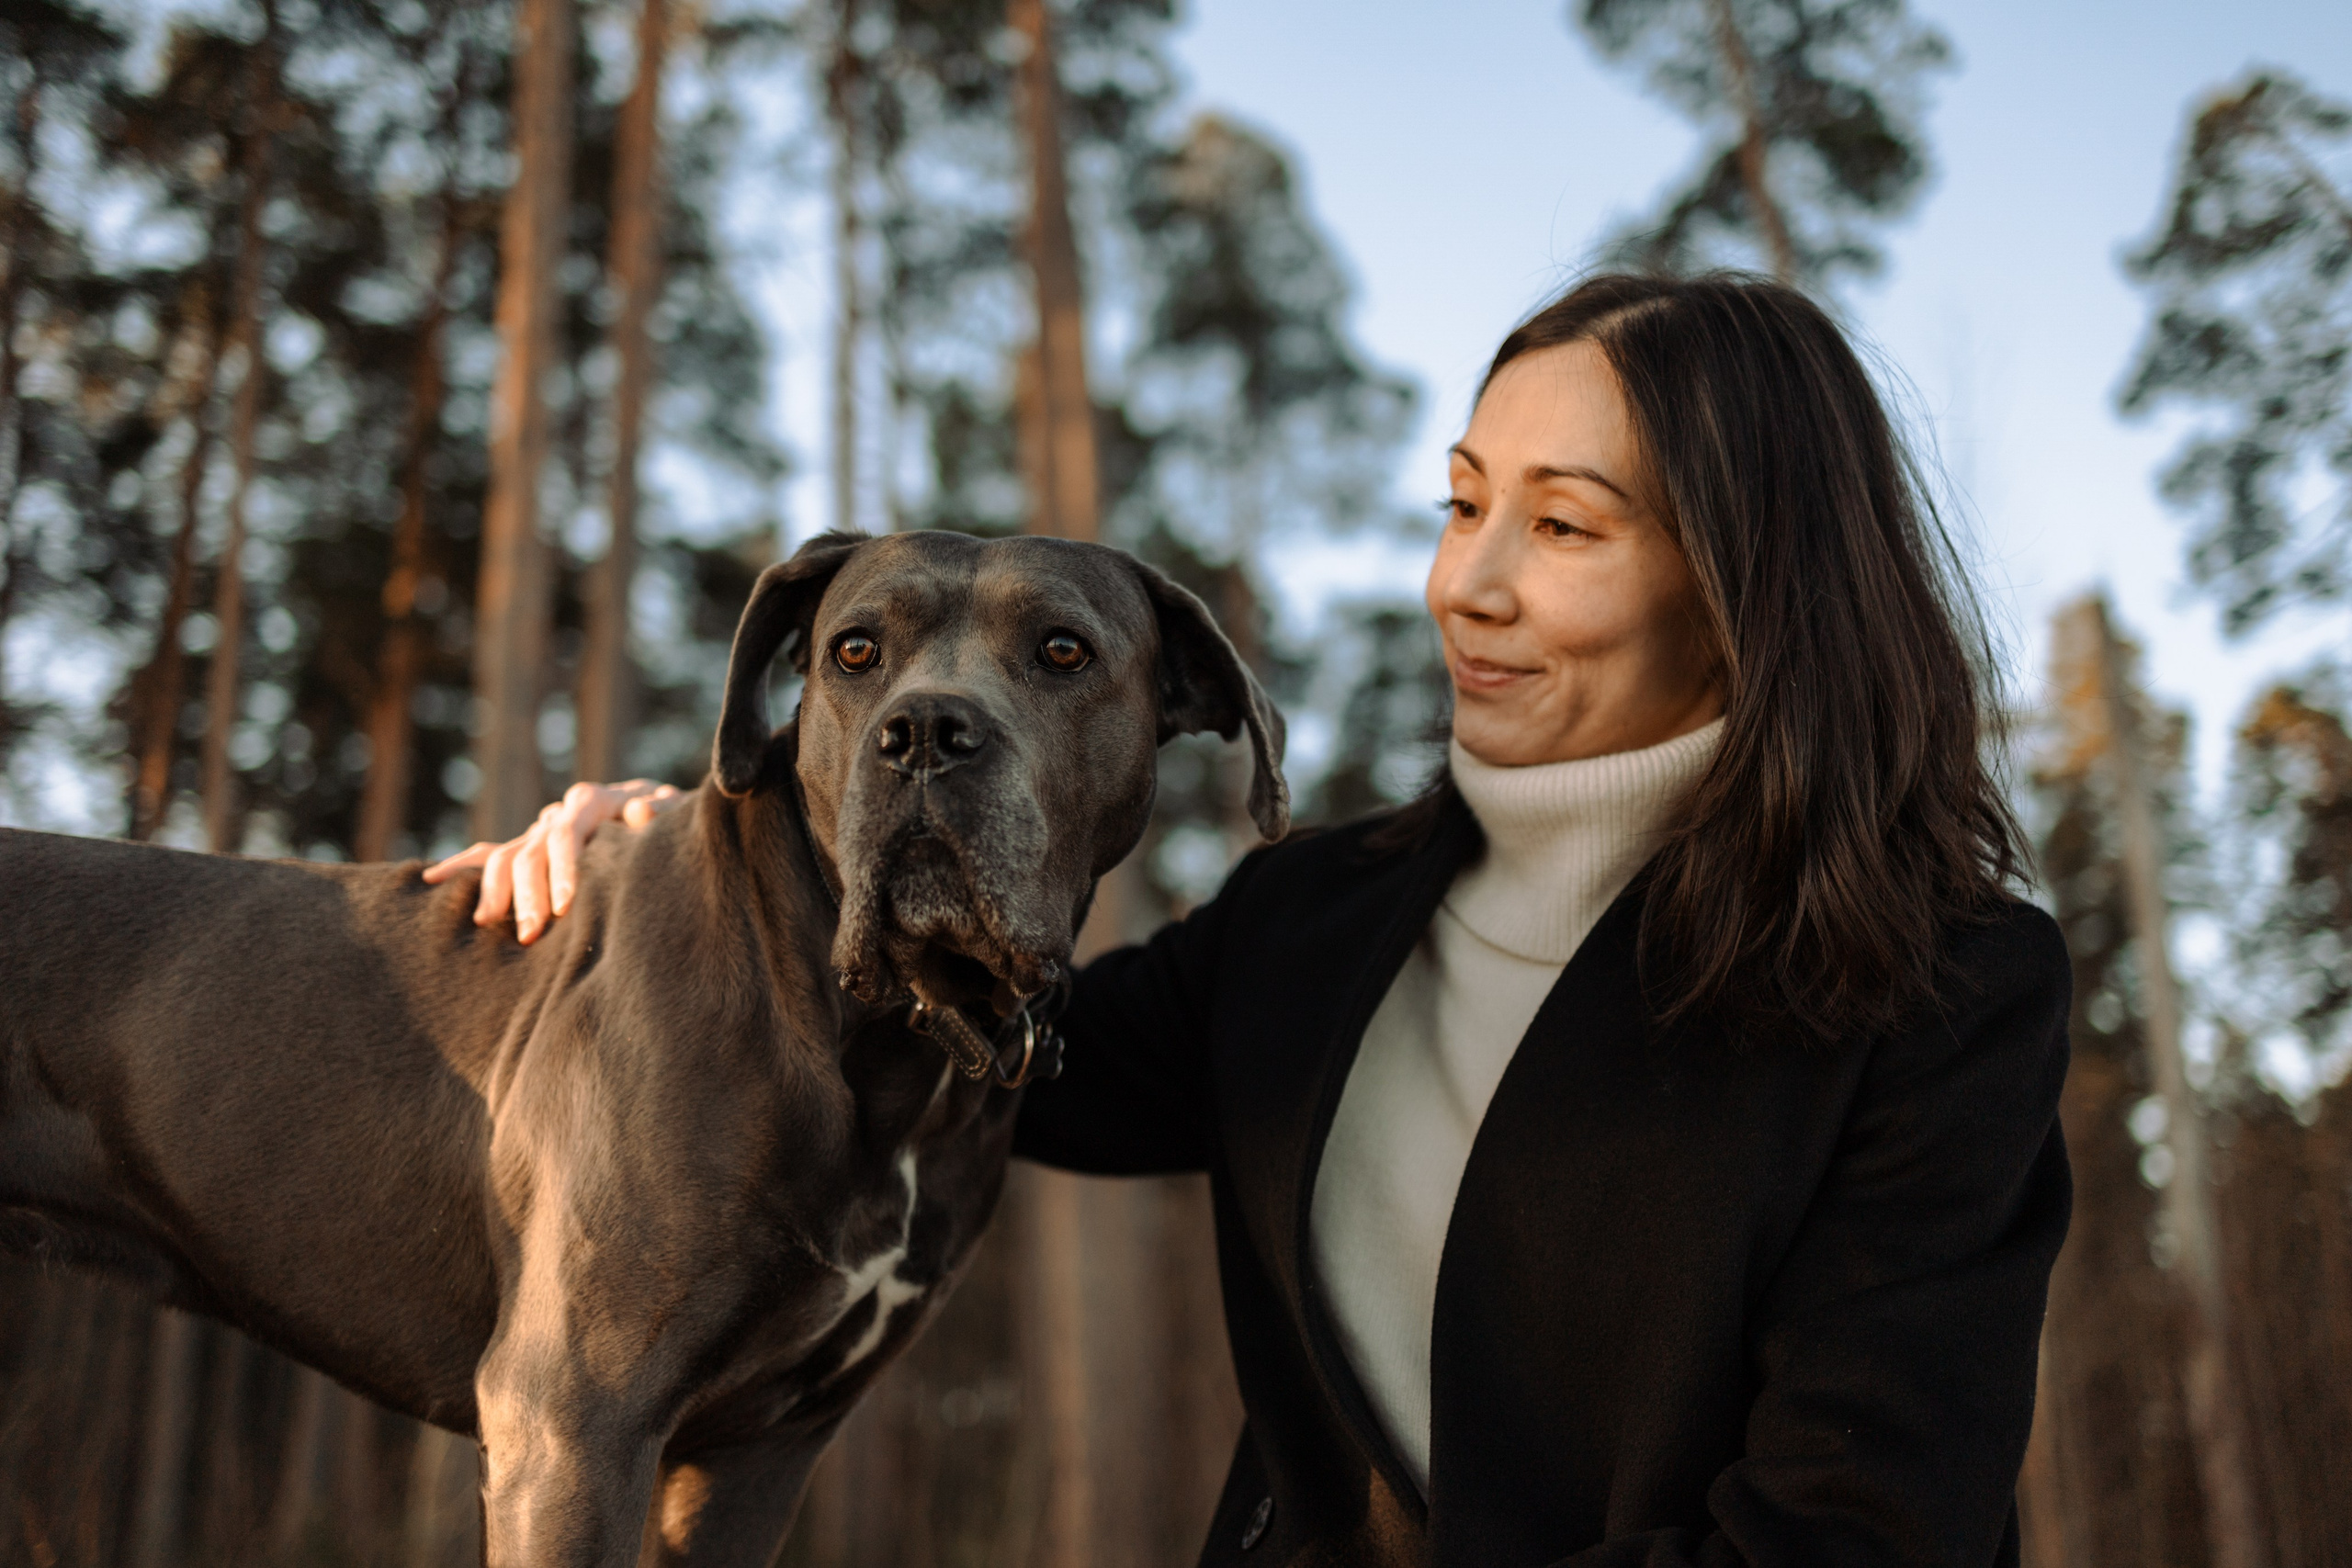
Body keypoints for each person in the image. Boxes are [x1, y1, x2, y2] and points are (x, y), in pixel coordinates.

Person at [432, 272, 2070, 1567]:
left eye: (1562, 525)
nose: (1467, 586)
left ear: (1746, 585)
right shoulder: (1311, 924)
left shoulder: (1944, 994)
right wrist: (682, 863)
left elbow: (1852, 1534)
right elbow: (956, 1022)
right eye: (1462, 505)